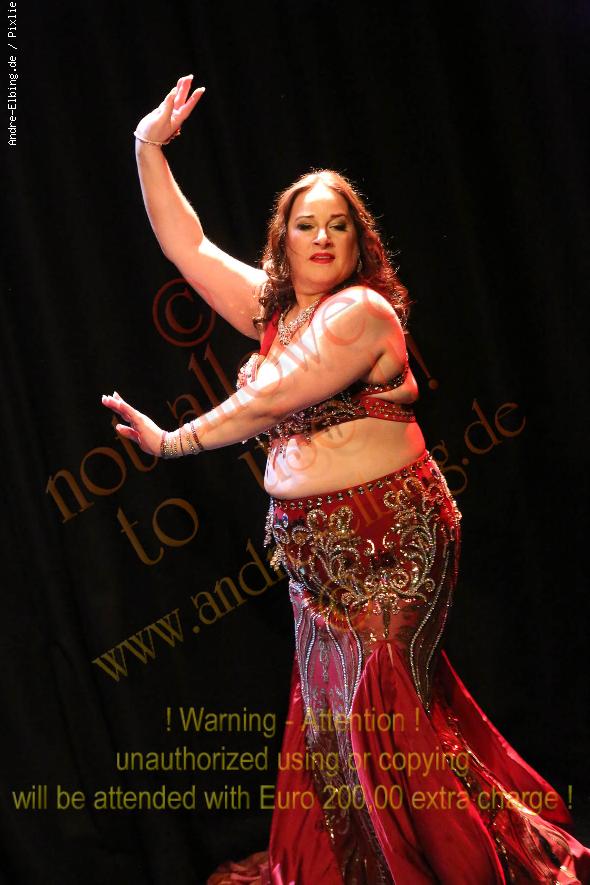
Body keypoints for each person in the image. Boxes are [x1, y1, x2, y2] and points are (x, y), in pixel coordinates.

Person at [102, 75, 590, 884]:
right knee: (335, 724)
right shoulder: (277, 312)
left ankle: (462, 865)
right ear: (283, 240)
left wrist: (170, 441)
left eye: (338, 226)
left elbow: (267, 399)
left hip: (391, 540)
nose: (322, 238)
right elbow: (187, 246)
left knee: (383, 713)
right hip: (314, 559)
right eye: (306, 225)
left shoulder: (360, 315)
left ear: (359, 245)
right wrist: (146, 145)